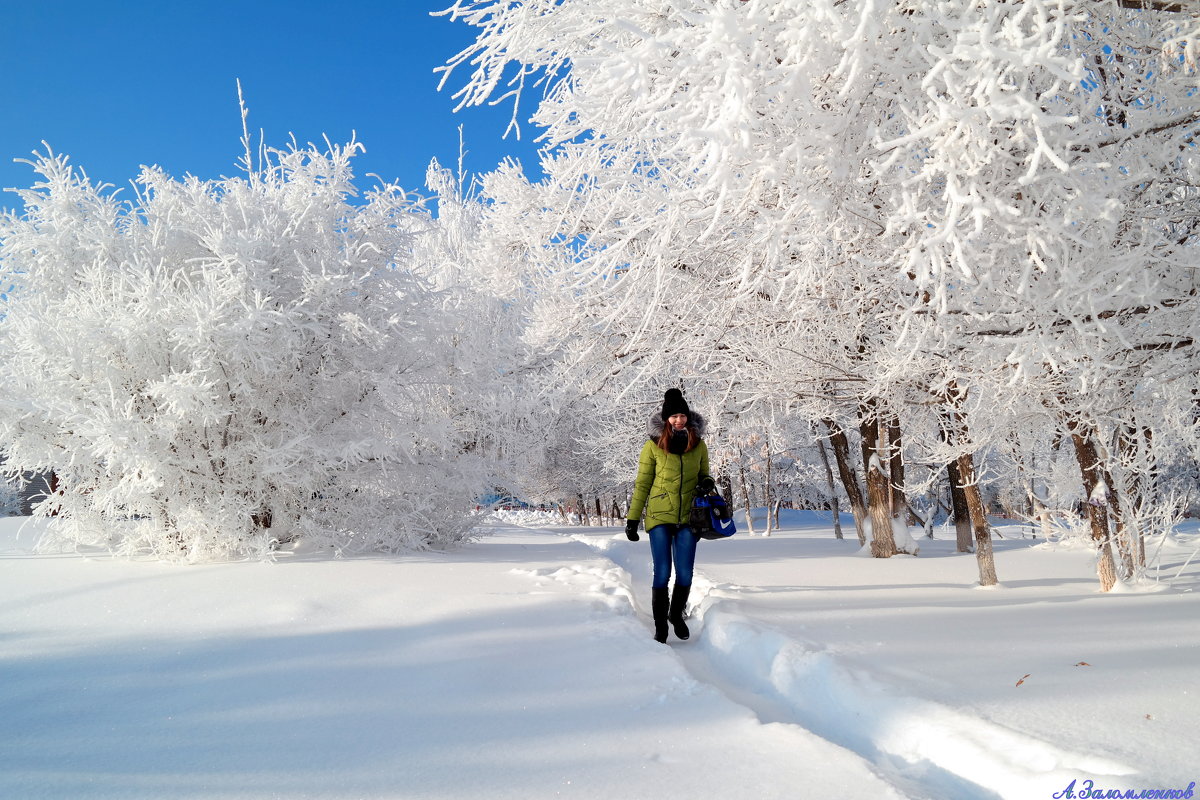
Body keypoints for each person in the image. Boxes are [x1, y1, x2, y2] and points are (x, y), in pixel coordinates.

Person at [625, 388, 715, 643]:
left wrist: (707, 482)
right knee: (662, 572)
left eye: (682, 415)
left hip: (688, 516)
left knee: (685, 572)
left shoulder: (698, 444)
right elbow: (643, 483)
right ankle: (660, 626)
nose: (679, 420)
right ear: (666, 419)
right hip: (659, 516)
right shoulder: (652, 446)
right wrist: (633, 519)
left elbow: (705, 474)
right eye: (674, 416)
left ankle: (675, 615)